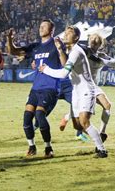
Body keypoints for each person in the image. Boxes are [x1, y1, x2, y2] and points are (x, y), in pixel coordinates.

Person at [39, 26, 108, 158]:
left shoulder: (76, 51)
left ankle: (102, 150)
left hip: (86, 90)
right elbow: (66, 65)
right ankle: (99, 137)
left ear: (76, 37)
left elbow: (64, 73)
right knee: (77, 126)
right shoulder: (71, 51)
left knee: (84, 121)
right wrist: (59, 49)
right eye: (65, 32)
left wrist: (46, 69)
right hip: (76, 91)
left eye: (69, 33)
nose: (65, 35)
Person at [6, 20, 64, 158]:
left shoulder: (56, 44)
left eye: (44, 26)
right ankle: (31, 146)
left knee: (39, 114)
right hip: (36, 88)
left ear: (52, 30)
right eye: (40, 26)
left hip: (50, 88)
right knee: (27, 117)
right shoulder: (35, 47)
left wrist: (61, 50)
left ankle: (48, 148)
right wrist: (9, 39)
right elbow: (13, 51)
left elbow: (65, 63)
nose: (41, 28)